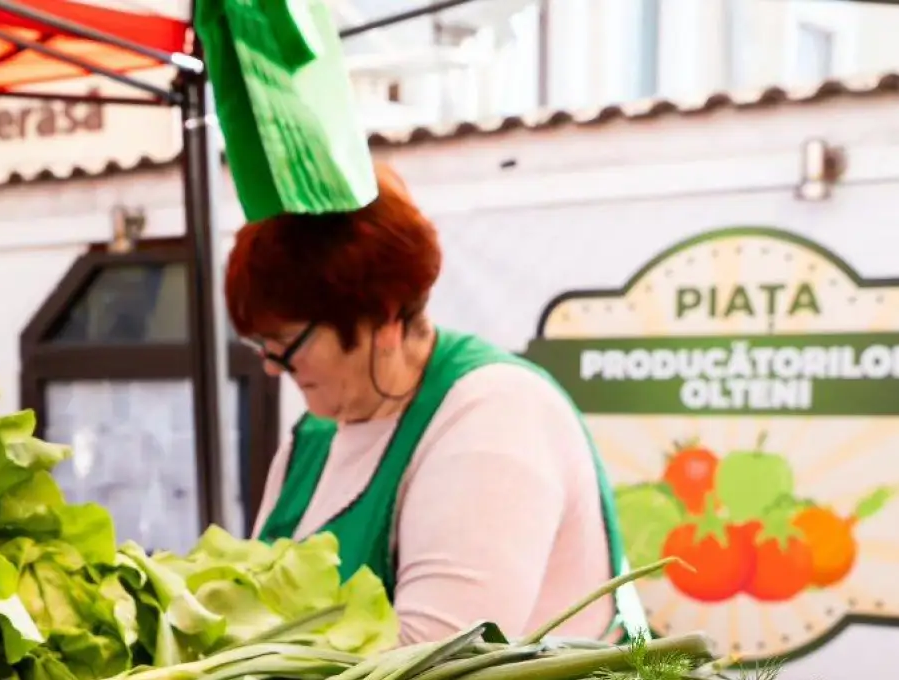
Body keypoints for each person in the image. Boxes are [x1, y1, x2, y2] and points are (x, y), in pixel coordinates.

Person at [225, 162, 643, 644]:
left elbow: (435, 660)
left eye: (286, 344)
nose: (271, 366)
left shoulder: (496, 417)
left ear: (382, 320)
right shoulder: (314, 435)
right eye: (262, 344)